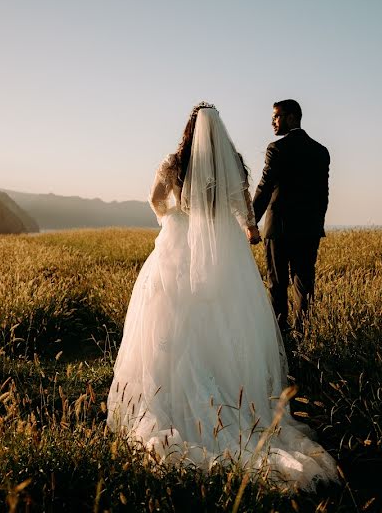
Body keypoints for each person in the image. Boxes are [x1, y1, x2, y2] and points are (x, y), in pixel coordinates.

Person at [106, 102, 337, 492]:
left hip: (179, 248)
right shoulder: (233, 162)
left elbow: (155, 200)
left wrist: (174, 217)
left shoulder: (174, 164)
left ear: (190, 129)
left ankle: (176, 395)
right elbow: (244, 206)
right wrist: (245, 227)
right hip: (224, 251)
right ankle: (236, 396)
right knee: (232, 315)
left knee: (173, 319)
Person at [252, 99, 331, 343]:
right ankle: (301, 336)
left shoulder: (276, 148)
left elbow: (264, 188)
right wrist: (316, 224)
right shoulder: (321, 151)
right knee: (304, 284)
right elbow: (323, 195)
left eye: (276, 116)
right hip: (309, 230)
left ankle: (280, 338)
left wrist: (251, 222)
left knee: (277, 284)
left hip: (279, 229)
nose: (273, 121)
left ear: (292, 116)